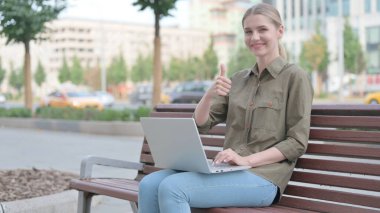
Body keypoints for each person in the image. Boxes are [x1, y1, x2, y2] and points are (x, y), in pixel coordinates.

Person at [138, 3, 313, 213]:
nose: (254, 37)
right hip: (228, 171)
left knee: (174, 188)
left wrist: (245, 160)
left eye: (262, 29)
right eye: (248, 31)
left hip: (264, 178)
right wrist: (209, 94)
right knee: (148, 185)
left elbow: (296, 143)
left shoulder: (294, 77)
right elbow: (202, 124)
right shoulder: (238, 79)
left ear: (280, 31)